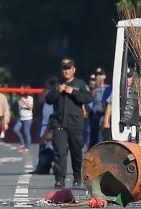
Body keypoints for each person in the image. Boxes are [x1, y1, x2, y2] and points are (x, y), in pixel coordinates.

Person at [45, 58, 93, 189]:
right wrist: (58, 91)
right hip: (59, 124)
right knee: (59, 152)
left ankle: (77, 176)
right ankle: (59, 178)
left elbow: (88, 98)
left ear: (74, 69)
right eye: (64, 68)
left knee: (76, 152)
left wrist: (74, 92)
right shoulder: (56, 84)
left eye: (68, 68)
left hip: (75, 123)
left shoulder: (80, 84)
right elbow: (48, 99)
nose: (66, 71)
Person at [88, 67, 108, 149]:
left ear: (104, 76)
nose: (99, 77)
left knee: (105, 136)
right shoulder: (92, 88)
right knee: (93, 136)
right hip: (95, 113)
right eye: (97, 75)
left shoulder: (108, 87)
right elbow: (89, 99)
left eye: (100, 75)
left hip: (105, 113)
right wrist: (95, 88)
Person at [12, 84, 33, 152]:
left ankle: (28, 147)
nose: (21, 90)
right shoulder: (19, 97)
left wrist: (24, 101)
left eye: (22, 89)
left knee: (26, 132)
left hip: (27, 118)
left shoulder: (29, 98)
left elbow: (31, 107)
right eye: (20, 89)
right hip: (21, 117)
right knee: (15, 129)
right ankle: (22, 143)